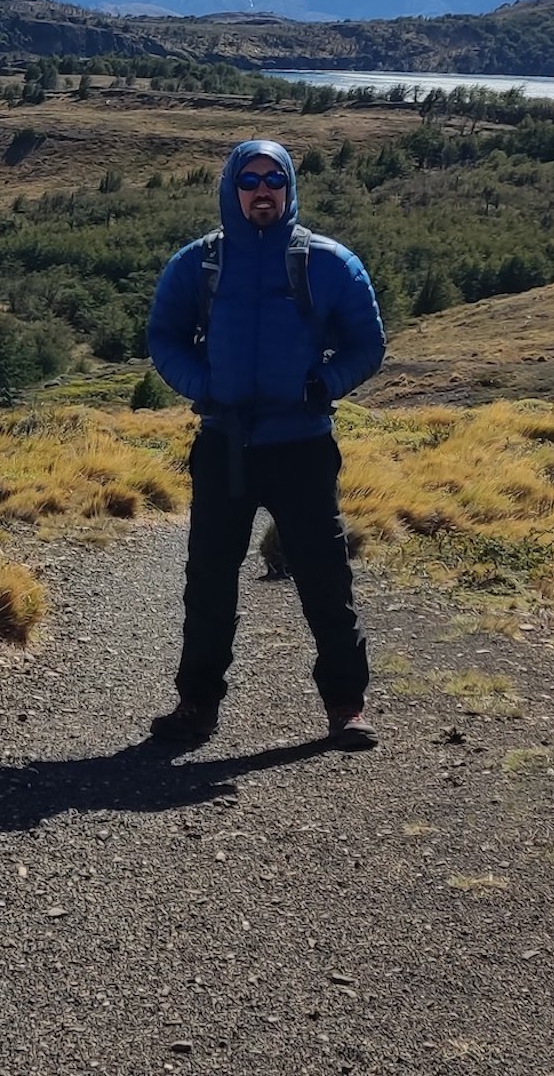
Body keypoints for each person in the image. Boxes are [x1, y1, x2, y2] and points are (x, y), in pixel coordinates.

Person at [144, 139, 387, 750]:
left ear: (288, 188)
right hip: (224, 443)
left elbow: (367, 344)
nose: (261, 190)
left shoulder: (329, 263)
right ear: (231, 187)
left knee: (325, 577)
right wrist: (207, 386)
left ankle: (346, 705)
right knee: (209, 581)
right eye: (249, 179)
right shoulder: (198, 263)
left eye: (272, 179)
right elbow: (165, 337)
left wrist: (323, 384)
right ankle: (196, 704)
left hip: (301, 445)